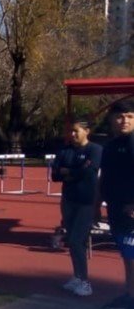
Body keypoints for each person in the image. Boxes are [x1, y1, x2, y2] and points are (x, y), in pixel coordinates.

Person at [51, 118, 102, 297]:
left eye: (76, 131)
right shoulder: (64, 151)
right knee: (71, 240)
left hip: (86, 201)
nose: (72, 134)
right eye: (70, 131)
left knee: (76, 240)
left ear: (87, 131)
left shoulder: (95, 149)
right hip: (68, 200)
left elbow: (88, 172)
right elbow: (55, 174)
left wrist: (69, 172)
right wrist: (72, 172)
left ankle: (85, 281)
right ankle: (77, 276)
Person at [99, 99, 134, 309]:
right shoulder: (111, 146)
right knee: (127, 256)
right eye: (120, 116)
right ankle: (129, 295)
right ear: (112, 119)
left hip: (131, 212)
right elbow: (104, 177)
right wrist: (96, 204)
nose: (124, 121)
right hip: (116, 209)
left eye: (130, 117)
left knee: (133, 257)